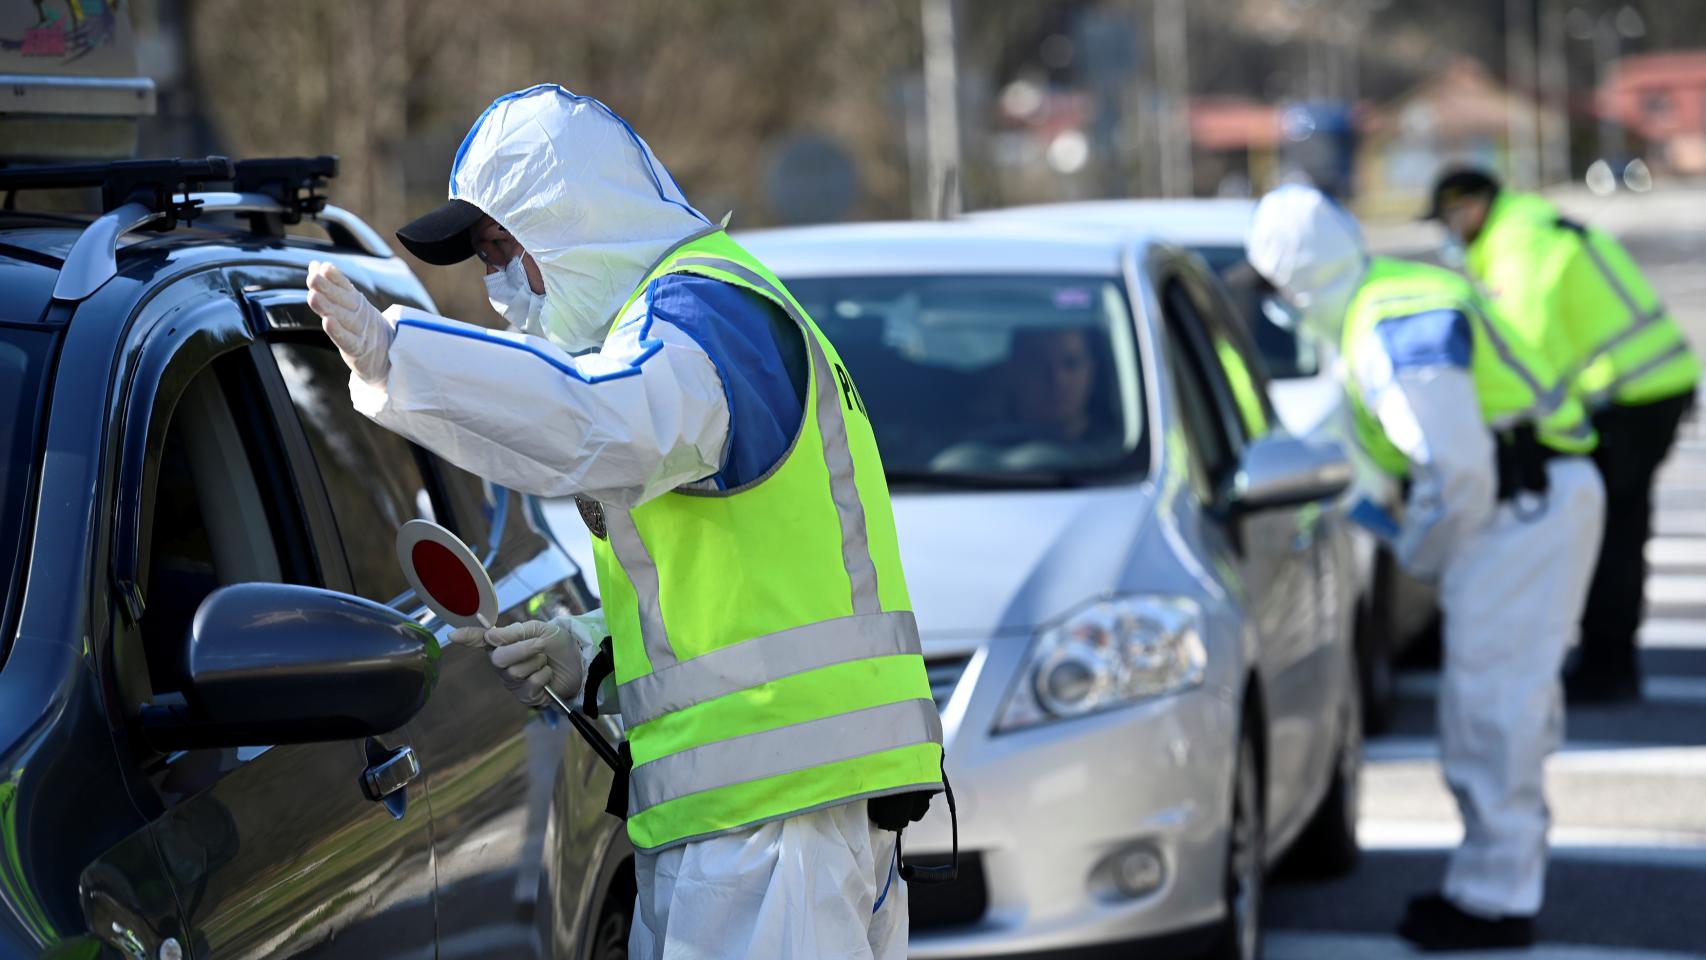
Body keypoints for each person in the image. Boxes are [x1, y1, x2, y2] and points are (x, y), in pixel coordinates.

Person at [302, 83, 944, 959]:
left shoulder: (705, 315)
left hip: (777, 821)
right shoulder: (696, 320)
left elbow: (601, 426)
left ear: (575, 223)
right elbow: (745, 584)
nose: (498, 287)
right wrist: (596, 647)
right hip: (771, 810)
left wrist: (402, 358)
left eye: (502, 249)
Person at [1247, 185, 1604, 951]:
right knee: (1502, 705)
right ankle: (1496, 883)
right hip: (1524, 503)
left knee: (1493, 709)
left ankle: (1494, 902)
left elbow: (1458, 468)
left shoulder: (1389, 322)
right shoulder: (1378, 304)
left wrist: (1422, 556)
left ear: (1296, 284)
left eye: (1275, 292)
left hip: (1519, 508)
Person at [1426, 169, 1701, 703]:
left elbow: (1526, 351)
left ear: (1473, 206)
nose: (1447, 233)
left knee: (1609, 536)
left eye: (1448, 218)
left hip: (1632, 399)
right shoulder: (1526, 227)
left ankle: (1608, 669)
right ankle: (1609, 663)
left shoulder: (1518, 244)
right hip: (1647, 390)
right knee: (1616, 531)